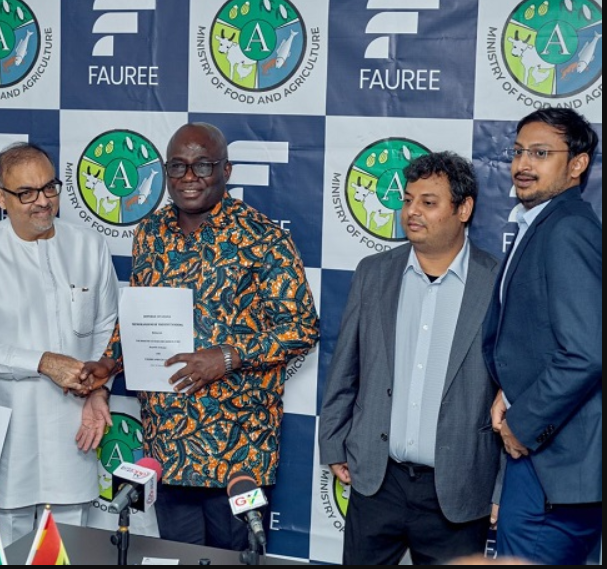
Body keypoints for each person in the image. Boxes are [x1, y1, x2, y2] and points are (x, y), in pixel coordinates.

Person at [81, 122, 319, 551]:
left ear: (225, 170)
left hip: (238, 447)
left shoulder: (264, 239)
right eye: (178, 167)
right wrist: (110, 361)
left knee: (234, 561)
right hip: (168, 442)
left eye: (202, 165)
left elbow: (301, 327)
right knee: (176, 557)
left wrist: (227, 356)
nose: (189, 177)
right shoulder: (150, 235)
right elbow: (140, 316)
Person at [318, 151, 502, 564]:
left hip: (457, 491)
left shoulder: (497, 281)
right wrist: (332, 441)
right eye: (407, 200)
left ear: (464, 209)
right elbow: (345, 365)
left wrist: (502, 489)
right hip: (377, 483)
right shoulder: (374, 272)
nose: (411, 211)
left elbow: (512, 392)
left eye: (428, 202)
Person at [0, 142, 118, 546]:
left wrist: (99, 390)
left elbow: (106, 329)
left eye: (50, 188)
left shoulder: (89, 244)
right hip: (11, 431)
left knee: (68, 545)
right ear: (0, 198)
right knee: (7, 544)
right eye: (26, 194)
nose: (43, 202)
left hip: (75, 428)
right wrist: (43, 361)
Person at [483, 108, 602, 565]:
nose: (522, 165)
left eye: (540, 153)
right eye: (517, 152)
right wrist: (507, 390)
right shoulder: (543, 223)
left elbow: (587, 352)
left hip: (553, 464)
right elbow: (541, 337)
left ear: (577, 164)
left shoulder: (568, 228)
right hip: (546, 461)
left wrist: (522, 422)